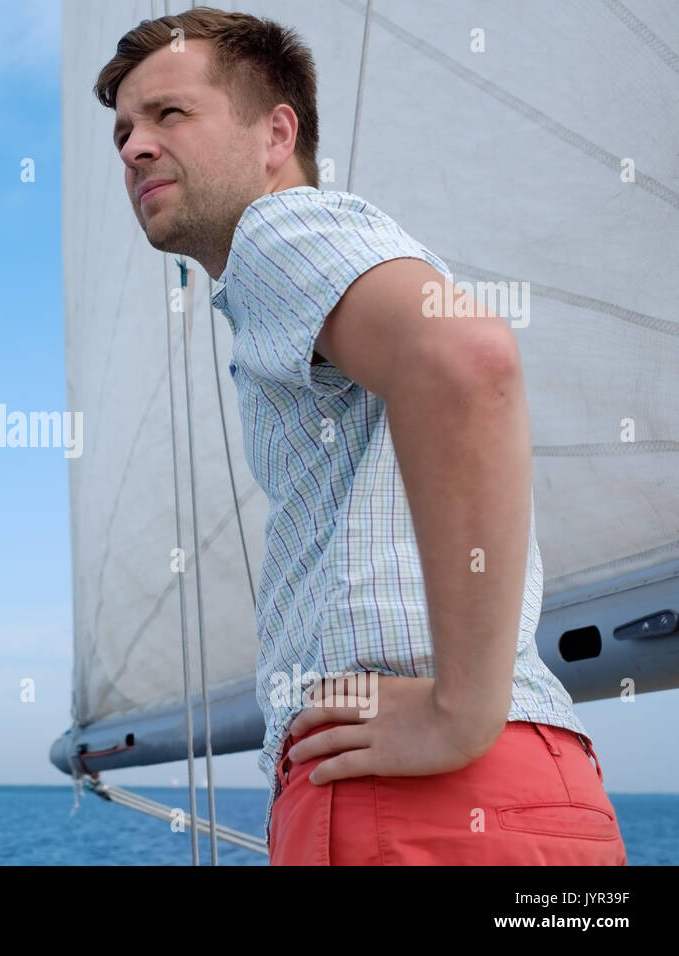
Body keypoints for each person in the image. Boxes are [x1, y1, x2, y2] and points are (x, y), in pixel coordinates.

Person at [94, 7, 626, 865]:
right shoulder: (330, 265)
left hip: (408, 799)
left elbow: (466, 360)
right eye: (122, 130)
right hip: (533, 793)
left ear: (276, 134)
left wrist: (461, 711)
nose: (132, 147)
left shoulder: (280, 231)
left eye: (169, 114)